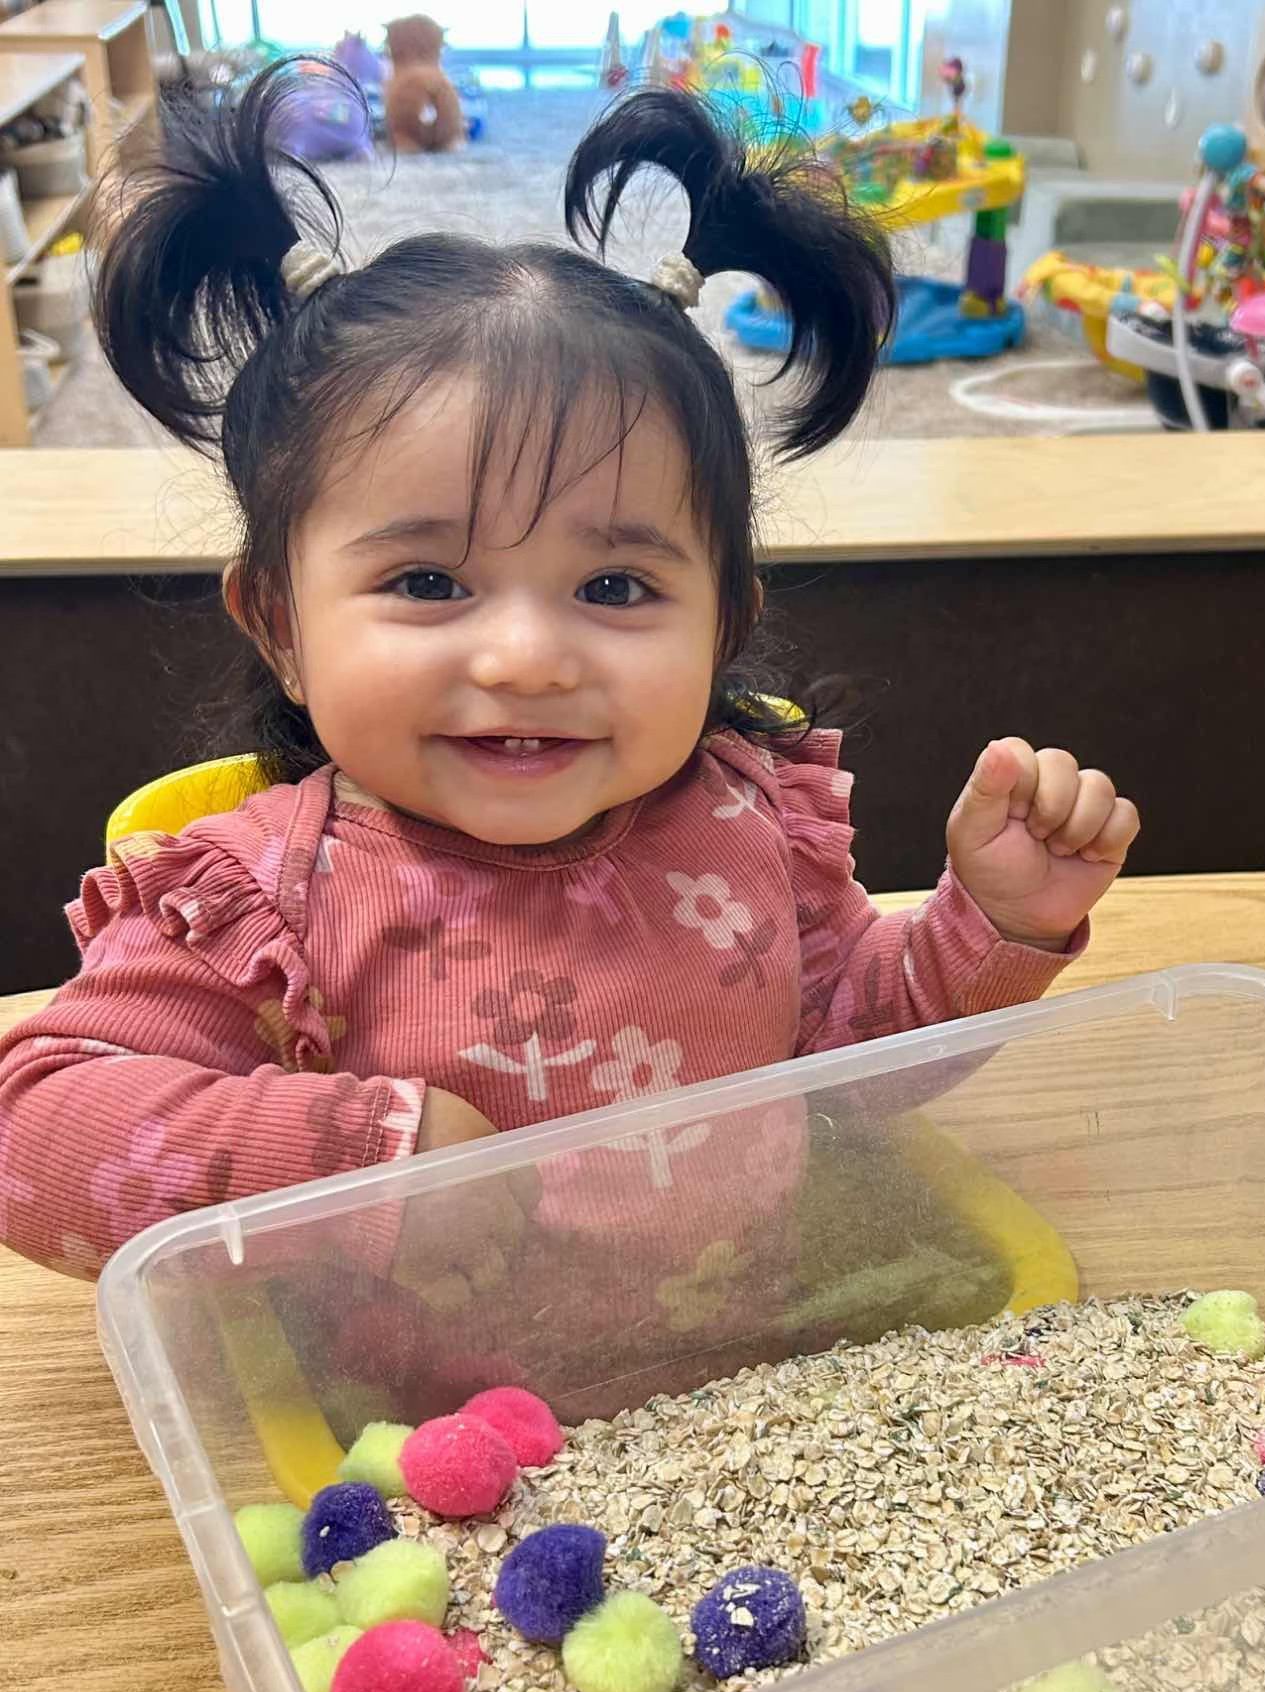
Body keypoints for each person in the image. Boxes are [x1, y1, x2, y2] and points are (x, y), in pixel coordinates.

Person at [0, 62, 1139, 1325]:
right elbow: (32, 1130)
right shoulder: (263, 899)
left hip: (746, 1400)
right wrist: (356, 1154)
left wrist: (993, 929)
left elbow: (839, 1062)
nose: (529, 656)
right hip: (417, 1458)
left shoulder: (746, 827)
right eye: (430, 579)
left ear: (726, 625)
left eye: (614, 586)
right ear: (280, 625)